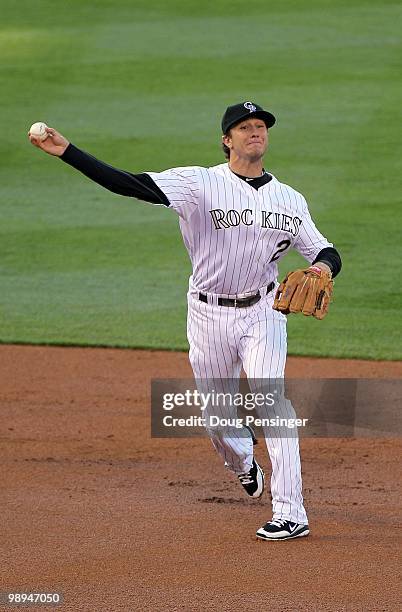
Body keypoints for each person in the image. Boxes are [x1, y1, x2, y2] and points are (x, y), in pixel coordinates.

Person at [29, 101, 341, 540]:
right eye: (244, 127)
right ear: (226, 140)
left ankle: (291, 511)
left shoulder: (290, 199)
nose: (255, 132)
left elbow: (325, 250)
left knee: (274, 405)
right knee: (217, 416)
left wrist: (322, 269)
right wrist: (69, 152)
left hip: (263, 313)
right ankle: (244, 461)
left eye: (260, 126)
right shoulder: (200, 183)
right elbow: (131, 184)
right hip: (208, 313)